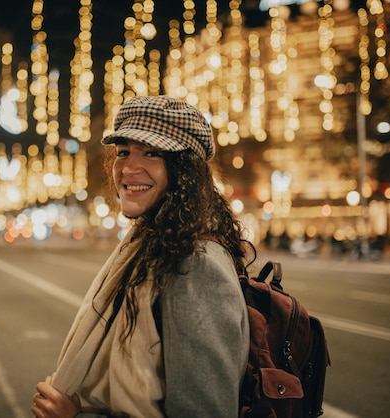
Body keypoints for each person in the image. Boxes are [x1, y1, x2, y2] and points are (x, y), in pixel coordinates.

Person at [31, 95, 255, 418]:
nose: (129, 167)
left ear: (185, 171)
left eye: (152, 153)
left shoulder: (195, 264)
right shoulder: (147, 248)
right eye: (123, 152)